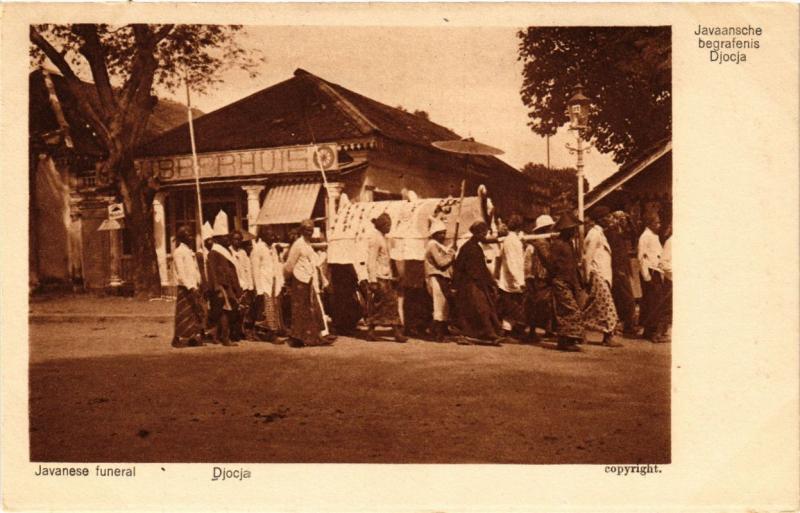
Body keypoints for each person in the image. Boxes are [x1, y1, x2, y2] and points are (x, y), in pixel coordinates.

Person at [283, 219, 335, 347]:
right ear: (301, 230)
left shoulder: (307, 244)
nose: (309, 232)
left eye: (311, 230)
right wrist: (288, 280)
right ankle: (296, 338)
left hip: (308, 279)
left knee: (309, 309)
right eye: (307, 229)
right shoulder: (298, 244)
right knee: (299, 309)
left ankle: (311, 337)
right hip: (299, 280)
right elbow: (289, 265)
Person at [452, 220, 503, 345]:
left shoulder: (476, 247)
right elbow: (458, 267)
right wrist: (455, 286)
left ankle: (487, 333)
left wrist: (491, 282)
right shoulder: (468, 248)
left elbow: (482, 268)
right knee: (481, 308)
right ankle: (487, 333)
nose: (484, 235)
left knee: (485, 307)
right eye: (483, 233)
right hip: (470, 283)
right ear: (477, 233)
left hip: (479, 283)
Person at [582, 206, 622, 347]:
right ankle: (608, 336)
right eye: (607, 217)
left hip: (603, 274)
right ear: (601, 219)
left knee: (593, 306)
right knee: (608, 306)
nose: (610, 219)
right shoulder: (594, 234)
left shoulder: (600, 234)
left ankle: (578, 329)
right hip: (597, 274)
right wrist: (588, 277)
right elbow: (587, 257)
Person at [365, 213, 406, 343]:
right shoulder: (375, 239)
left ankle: (374, 331)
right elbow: (371, 260)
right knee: (387, 303)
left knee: (384, 304)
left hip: (385, 276)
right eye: (388, 225)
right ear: (382, 225)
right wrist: (372, 280)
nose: (389, 227)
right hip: (378, 277)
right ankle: (395, 332)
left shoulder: (383, 238)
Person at [206, 211, 242, 347]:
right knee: (224, 312)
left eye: (227, 237)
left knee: (226, 311)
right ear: (217, 239)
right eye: (224, 237)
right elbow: (213, 272)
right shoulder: (214, 253)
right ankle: (225, 338)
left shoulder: (225, 251)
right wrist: (217, 287)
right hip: (221, 286)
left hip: (228, 285)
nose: (227, 239)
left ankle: (218, 335)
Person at [550, 212, 585, 352]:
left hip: (570, 281)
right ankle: (566, 340)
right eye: (572, 229)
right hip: (561, 281)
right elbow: (552, 263)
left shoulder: (568, 243)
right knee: (570, 310)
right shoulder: (558, 244)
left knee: (568, 310)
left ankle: (566, 340)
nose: (574, 231)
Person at [171, 225, 205, 348]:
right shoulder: (179, 252)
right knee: (183, 314)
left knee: (193, 313)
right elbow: (181, 272)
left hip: (194, 285)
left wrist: (198, 282)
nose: (191, 237)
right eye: (188, 235)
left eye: (191, 234)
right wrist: (190, 286)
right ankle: (177, 338)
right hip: (185, 287)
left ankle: (192, 336)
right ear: (182, 237)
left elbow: (194, 269)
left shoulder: (190, 252)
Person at [524, 214, 556, 343]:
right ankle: (532, 331)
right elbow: (528, 263)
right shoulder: (537, 244)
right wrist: (528, 277)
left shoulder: (544, 243)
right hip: (538, 277)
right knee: (538, 304)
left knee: (546, 304)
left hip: (542, 277)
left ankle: (547, 329)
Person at [605, 211, 637, 337]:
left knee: (622, 299)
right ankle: (628, 328)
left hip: (622, 268)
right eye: (621, 219)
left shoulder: (620, 233)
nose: (624, 222)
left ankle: (624, 325)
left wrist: (629, 220)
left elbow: (633, 234)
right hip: (618, 269)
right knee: (628, 299)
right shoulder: (611, 233)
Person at [251, 225, 285, 341]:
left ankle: (274, 331)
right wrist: (259, 288)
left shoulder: (273, 249)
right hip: (264, 282)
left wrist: (280, 281)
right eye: (269, 235)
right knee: (267, 309)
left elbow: (276, 265)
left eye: (272, 234)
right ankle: (271, 334)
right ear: (262, 236)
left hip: (273, 282)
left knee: (273, 308)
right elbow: (255, 269)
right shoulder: (258, 248)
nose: (272, 237)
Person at [424, 218, 455, 342]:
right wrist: (451, 255)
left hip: (443, 278)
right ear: (435, 234)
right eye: (440, 233)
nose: (443, 235)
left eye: (444, 232)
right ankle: (437, 334)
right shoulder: (432, 245)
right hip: (435, 277)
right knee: (439, 305)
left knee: (444, 306)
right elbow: (441, 262)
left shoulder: (440, 246)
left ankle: (439, 332)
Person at [496, 214, 527, 338]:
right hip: (512, 279)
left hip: (510, 278)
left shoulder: (510, 240)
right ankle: (509, 331)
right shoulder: (512, 241)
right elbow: (513, 262)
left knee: (511, 306)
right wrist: (519, 281)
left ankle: (509, 330)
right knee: (513, 306)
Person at [637, 212, 666, 342]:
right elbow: (641, 257)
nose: (659, 225)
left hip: (656, 271)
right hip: (650, 272)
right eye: (657, 222)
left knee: (652, 302)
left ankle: (648, 330)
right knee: (654, 302)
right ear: (650, 223)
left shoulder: (654, 236)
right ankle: (653, 331)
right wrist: (646, 276)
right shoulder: (645, 237)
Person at [230, 230, 255, 340]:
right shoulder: (229, 252)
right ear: (231, 240)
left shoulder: (243, 253)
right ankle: (233, 332)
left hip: (244, 284)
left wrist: (250, 286)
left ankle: (241, 331)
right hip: (234, 286)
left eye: (240, 239)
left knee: (244, 310)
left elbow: (247, 269)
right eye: (235, 239)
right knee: (234, 310)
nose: (238, 241)